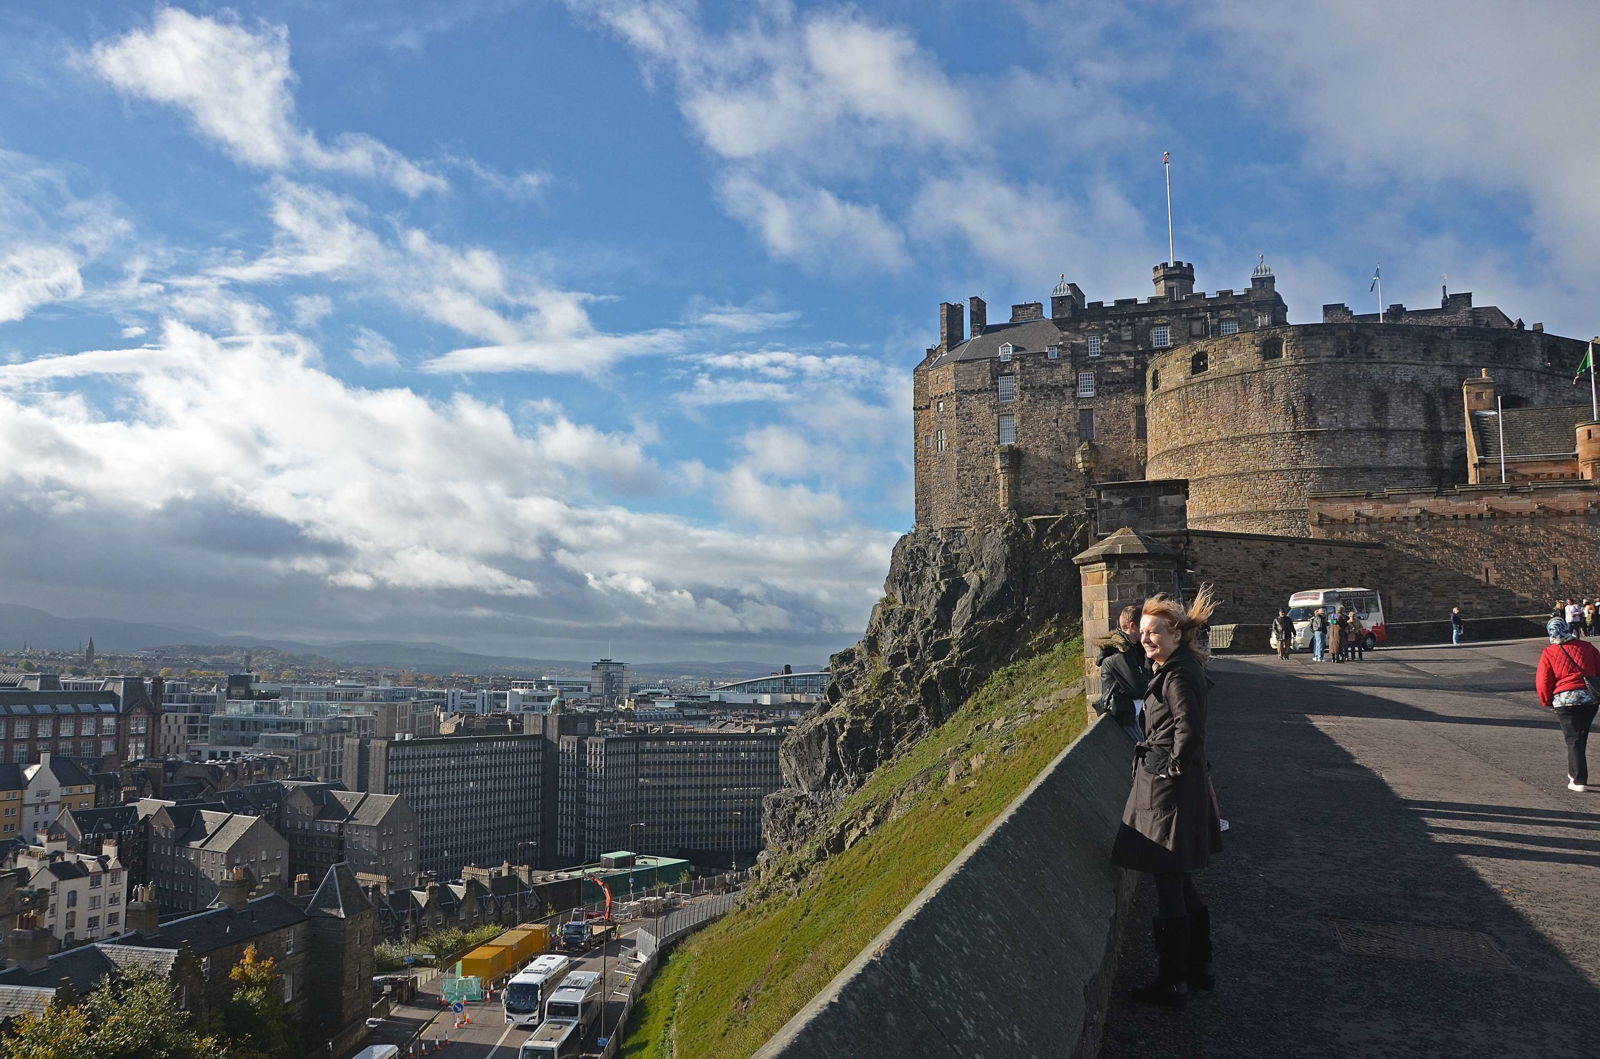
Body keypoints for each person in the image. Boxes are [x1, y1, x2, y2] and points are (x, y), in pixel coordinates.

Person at [1110, 586, 1224, 1007]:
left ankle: (1173, 980)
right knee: (1177, 876)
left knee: (1167, 880)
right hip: (1172, 785)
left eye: (1155, 632)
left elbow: (1189, 729)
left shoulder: (1177, 675)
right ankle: (1199, 966)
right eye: (1142, 632)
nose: (1146, 639)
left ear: (1176, 634)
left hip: (1169, 790)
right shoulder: (1176, 668)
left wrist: (1170, 769)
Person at [1535, 617, 1600, 792]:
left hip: (1564, 701)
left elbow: (1543, 680)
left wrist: (1546, 700)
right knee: (1580, 737)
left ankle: (1578, 779)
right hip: (1589, 699)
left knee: (1573, 739)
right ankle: (1577, 774)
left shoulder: (1549, 652)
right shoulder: (1588, 647)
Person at [1096, 604, 1150, 742]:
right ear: (1132, 626)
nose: (1146, 631)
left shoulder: (1133, 649)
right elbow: (1138, 689)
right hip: (1124, 714)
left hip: (1132, 711)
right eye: (1143, 627)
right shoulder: (1120, 654)